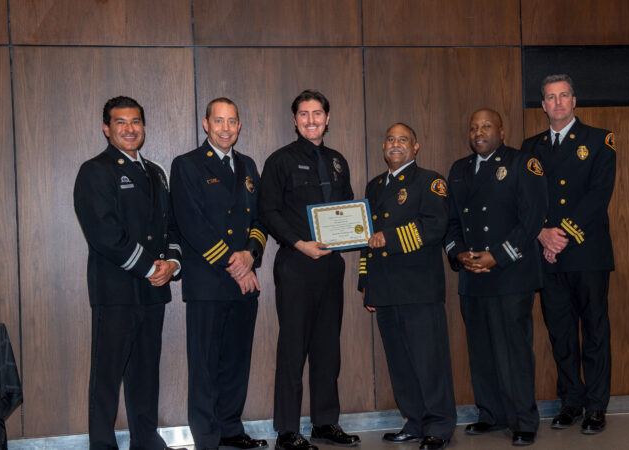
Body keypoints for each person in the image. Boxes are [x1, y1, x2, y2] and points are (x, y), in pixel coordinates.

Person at [73, 96, 181, 450]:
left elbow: (170, 227)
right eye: (121, 122)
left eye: (135, 121)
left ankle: (145, 439)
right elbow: (105, 234)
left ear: (144, 127)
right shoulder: (95, 170)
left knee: (146, 373)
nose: (130, 129)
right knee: (107, 377)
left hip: (153, 290)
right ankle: (102, 445)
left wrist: (172, 264)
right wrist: (151, 266)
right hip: (116, 291)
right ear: (107, 128)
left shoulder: (155, 173)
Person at [259, 90, 360, 450]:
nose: (311, 120)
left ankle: (324, 422)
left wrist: (352, 233)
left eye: (317, 113)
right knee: (292, 349)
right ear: (295, 120)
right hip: (296, 264)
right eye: (304, 114)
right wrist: (300, 243)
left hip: (331, 266)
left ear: (327, 118)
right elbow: (268, 212)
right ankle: (287, 431)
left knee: (327, 349)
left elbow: (346, 207)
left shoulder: (337, 161)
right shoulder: (279, 161)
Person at [444, 108, 548, 446]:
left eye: (486, 126)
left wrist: (498, 256)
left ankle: (523, 421)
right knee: (481, 350)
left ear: (502, 131)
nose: (478, 132)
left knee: (513, 350)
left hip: (510, 274)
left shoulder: (522, 163)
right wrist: (457, 254)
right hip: (472, 275)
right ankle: (490, 414)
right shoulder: (459, 170)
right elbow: (452, 221)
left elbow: (532, 219)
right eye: (473, 127)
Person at [520, 74, 616, 435]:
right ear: (543, 105)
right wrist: (542, 234)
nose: (557, 103)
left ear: (574, 101)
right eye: (550, 97)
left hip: (587, 253)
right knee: (560, 333)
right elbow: (527, 199)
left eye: (564, 96)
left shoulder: (599, 140)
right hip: (548, 254)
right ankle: (571, 402)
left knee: (593, 332)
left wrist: (562, 236)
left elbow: (598, 195)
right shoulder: (530, 148)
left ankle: (595, 406)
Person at [170, 98, 268, 450]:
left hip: (245, 282)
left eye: (232, 121)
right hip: (209, 283)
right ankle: (207, 438)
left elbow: (260, 221)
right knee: (205, 366)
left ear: (239, 125)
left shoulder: (249, 165)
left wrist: (250, 255)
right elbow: (191, 224)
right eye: (219, 121)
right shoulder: (187, 165)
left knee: (236, 363)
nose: (225, 128)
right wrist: (234, 263)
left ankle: (230, 428)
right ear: (206, 124)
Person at [358, 123, 456, 450]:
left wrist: (391, 237)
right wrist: (365, 283)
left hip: (418, 289)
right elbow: (365, 237)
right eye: (390, 139)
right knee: (400, 364)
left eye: (403, 140)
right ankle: (413, 422)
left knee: (429, 362)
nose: (395, 145)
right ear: (383, 147)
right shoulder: (374, 186)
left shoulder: (430, 181)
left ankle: (439, 426)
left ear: (416, 147)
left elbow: (435, 226)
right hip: (384, 290)